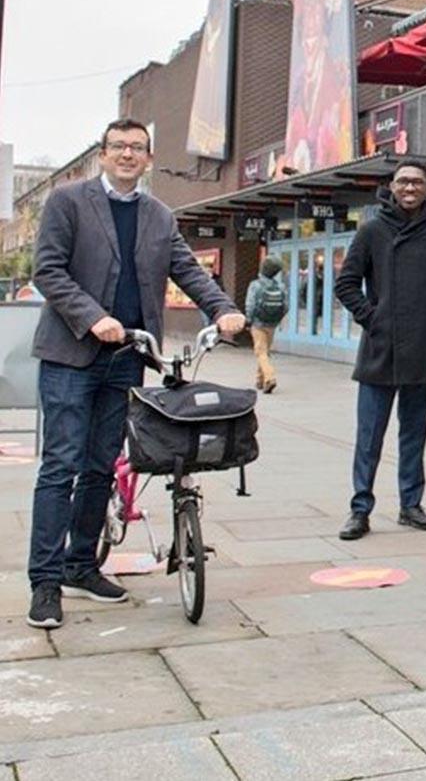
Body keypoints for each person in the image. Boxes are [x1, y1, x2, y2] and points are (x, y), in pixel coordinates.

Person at [27, 119, 246, 630]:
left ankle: (81, 565)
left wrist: (222, 309)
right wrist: (94, 317)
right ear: (102, 154)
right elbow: (49, 271)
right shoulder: (68, 202)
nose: (128, 154)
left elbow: (187, 269)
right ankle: (44, 580)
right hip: (70, 354)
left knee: (102, 464)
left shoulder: (157, 215)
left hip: (128, 358)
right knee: (61, 465)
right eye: (118, 146)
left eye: (138, 148)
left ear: (148, 159)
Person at [334, 158, 426, 540]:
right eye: (403, 181)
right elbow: (346, 285)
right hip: (381, 349)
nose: (410, 188)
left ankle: (411, 504)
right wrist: (373, 319)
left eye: (417, 183)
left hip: (423, 349)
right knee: (369, 435)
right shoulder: (373, 231)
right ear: (392, 186)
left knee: (414, 433)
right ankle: (360, 509)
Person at [245, 254, 288, 394]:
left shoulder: (255, 285)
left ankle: (270, 379)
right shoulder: (280, 286)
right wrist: (277, 319)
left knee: (260, 351)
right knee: (264, 351)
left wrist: (248, 320)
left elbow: (250, 305)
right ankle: (259, 379)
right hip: (272, 324)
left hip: (258, 323)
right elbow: (286, 306)